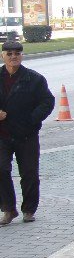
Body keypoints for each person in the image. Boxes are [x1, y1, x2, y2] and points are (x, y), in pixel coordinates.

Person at [0, 39, 55, 226]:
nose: (13, 57)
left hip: (26, 134)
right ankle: (8, 209)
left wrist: (32, 120)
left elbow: (47, 101)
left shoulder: (34, 79)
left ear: (22, 55)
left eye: (17, 53)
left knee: (29, 173)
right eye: (9, 54)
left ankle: (29, 209)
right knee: (1, 170)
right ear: (3, 56)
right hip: (2, 135)